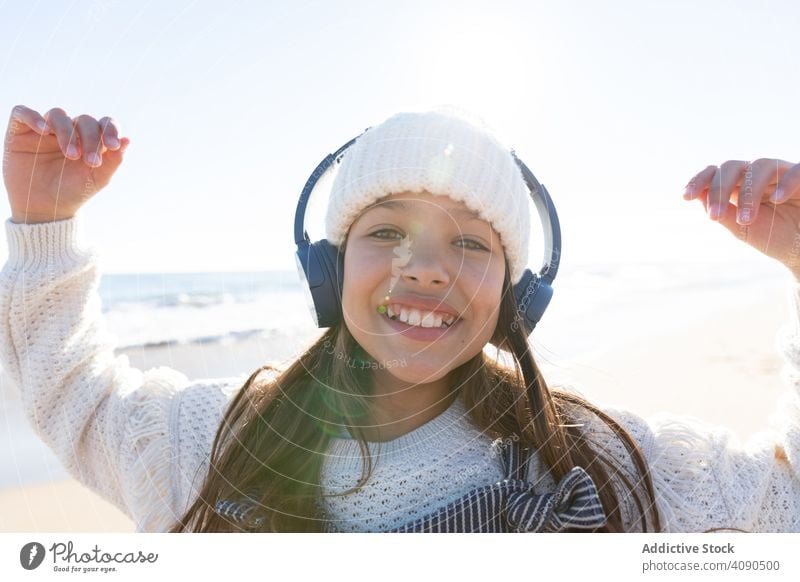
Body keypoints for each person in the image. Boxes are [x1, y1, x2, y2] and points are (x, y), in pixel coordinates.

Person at [2, 104, 800, 534]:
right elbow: (79, 397)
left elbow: (785, 507)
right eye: (386, 231)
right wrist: (43, 222)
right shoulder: (207, 438)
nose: (424, 266)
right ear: (328, 265)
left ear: (519, 299)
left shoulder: (597, 461)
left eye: (468, 242)